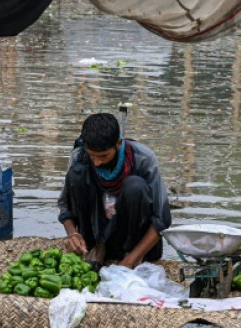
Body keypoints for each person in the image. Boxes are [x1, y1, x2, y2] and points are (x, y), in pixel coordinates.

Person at [57, 113, 172, 269]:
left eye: (104, 156)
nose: (97, 163)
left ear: (118, 144)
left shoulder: (143, 158)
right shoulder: (80, 156)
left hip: (133, 238)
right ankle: (97, 248)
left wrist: (130, 261)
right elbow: (65, 204)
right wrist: (72, 234)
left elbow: (162, 219)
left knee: (135, 186)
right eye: (92, 156)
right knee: (77, 173)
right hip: (96, 235)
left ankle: (131, 253)